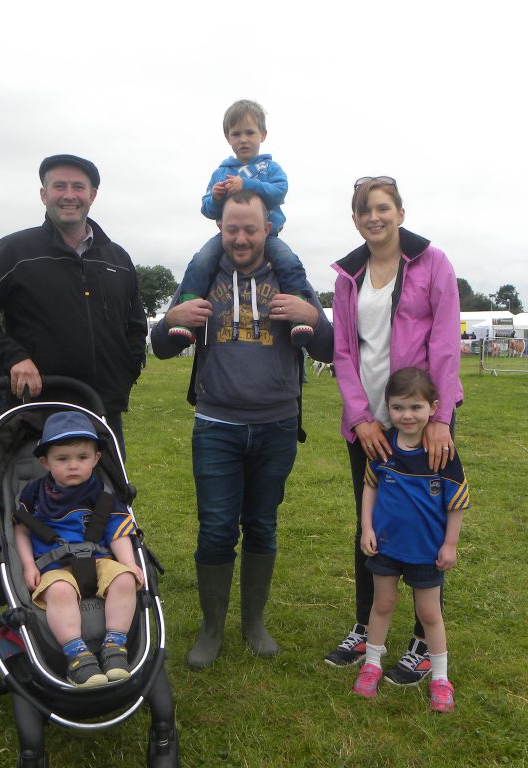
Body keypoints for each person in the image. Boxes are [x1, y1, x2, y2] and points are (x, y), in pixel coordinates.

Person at [150, 190, 333, 670]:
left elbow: (329, 349)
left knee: (261, 525)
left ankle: (253, 622)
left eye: (250, 229)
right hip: (216, 425)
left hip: (276, 426)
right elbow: (162, 348)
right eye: (232, 229)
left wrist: (312, 316)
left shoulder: (289, 278)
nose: (241, 238)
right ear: (220, 229)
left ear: (268, 228)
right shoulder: (204, 276)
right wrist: (171, 318)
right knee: (214, 530)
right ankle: (212, 629)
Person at [325, 176, 463, 687]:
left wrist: (441, 417)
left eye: (383, 208)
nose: (374, 217)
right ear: (356, 220)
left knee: (426, 523)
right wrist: (360, 418)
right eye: (365, 210)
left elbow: (447, 343)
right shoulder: (347, 276)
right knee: (372, 523)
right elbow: (342, 351)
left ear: (400, 213)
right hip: (369, 423)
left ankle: (425, 643)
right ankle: (366, 626)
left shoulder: (433, 263)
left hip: (421, 415)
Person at [0, 155, 147, 459]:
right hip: (37, 411)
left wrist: (127, 370)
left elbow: (135, 324)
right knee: (35, 504)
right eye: (59, 186)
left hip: (102, 410)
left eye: (78, 187)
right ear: (44, 194)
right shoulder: (15, 251)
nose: (69, 195)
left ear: (92, 195)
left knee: (109, 502)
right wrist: (15, 356)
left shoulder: (117, 259)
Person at [352, 367, 468, 711]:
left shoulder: (443, 452)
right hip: (387, 546)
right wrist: (368, 528)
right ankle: (372, 664)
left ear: (433, 408)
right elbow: (369, 488)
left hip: (426, 553)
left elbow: (457, 503)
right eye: (398, 407)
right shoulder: (383, 447)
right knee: (382, 604)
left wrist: (450, 544)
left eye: (415, 407)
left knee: (430, 614)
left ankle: (441, 679)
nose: (407, 415)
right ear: (387, 407)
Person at [167, 99, 312, 348]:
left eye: (250, 132)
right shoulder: (221, 172)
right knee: (201, 260)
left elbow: (280, 192)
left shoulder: (270, 167)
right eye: (236, 134)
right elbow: (208, 210)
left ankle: (298, 312)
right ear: (227, 138)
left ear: (263, 135)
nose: (243, 139)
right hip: (229, 237)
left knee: (289, 261)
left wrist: (248, 185)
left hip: (269, 236)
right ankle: (186, 312)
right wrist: (215, 196)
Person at [14, 411, 143, 688]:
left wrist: (129, 563)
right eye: (62, 459)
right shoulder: (34, 494)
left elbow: (118, 531)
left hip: (99, 560)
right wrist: (28, 564)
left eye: (82, 458)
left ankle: (114, 647)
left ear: (96, 459)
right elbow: (21, 529)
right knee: (59, 591)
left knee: (124, 579)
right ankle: (77, 656)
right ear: (45, 462)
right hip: (54, 567)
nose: (73, 466)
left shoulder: (101, 493)